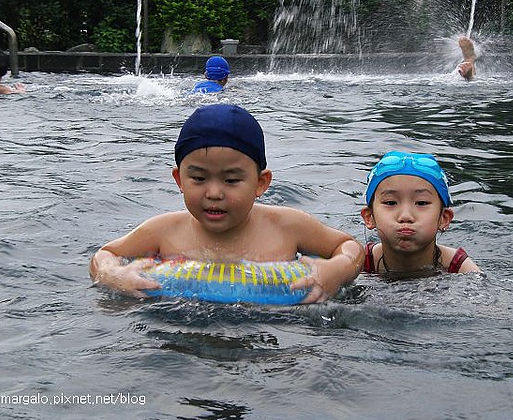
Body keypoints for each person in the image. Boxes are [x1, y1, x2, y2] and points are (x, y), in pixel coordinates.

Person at [89, 104, 364, 302]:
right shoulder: (164, 230)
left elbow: (349, 247)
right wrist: (113, 275)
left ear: (260, 183)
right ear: (179, 179)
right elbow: (105, 254)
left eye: (231, 180)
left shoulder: (288, 226)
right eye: (198, 178)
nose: (214, 192)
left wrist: (335, 270)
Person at [360, 151, 480, 280]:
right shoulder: (358, 262)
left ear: (443, 218)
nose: (406, 216)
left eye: (421, 203)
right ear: (369, 217)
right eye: (391, 202)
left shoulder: (460, 269)